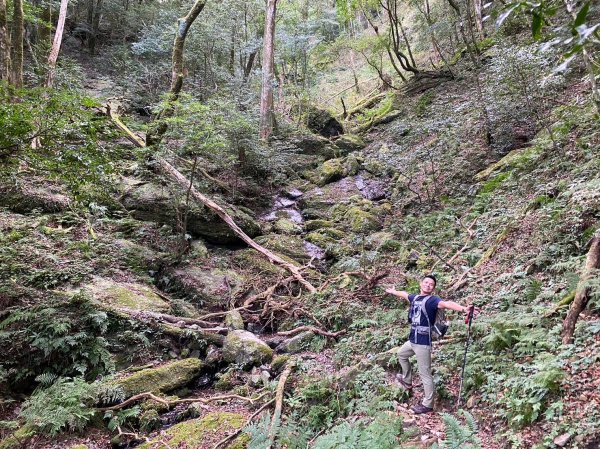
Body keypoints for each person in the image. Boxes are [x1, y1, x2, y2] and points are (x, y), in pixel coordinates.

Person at [385, 274, 472, 414]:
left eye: (431, 284)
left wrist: (463, 309)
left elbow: (447, 304)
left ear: (433, 288)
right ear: (421, 284)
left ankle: (428, 404)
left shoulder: (433, 300)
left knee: (425, 373)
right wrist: (394, 292)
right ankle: (407, 381)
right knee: (401, 354)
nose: (428, 285)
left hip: (423, 342)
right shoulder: (416, 298)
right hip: (412, 339)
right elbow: (405, 294)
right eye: (426, 282)